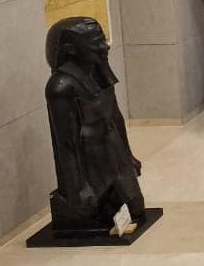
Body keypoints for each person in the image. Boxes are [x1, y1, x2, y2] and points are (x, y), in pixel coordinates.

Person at [44, 17, 145, 232]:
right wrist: (78, 187)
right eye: (96, 44)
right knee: (98, 211)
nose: (104, 47)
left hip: (114, 152)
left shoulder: (98, 72)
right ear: (71, 50)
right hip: (91, 162)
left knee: (137, 209)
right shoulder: (61, 87)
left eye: (103, 40)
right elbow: (66, 144)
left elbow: (115, 117)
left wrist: (128, 155)